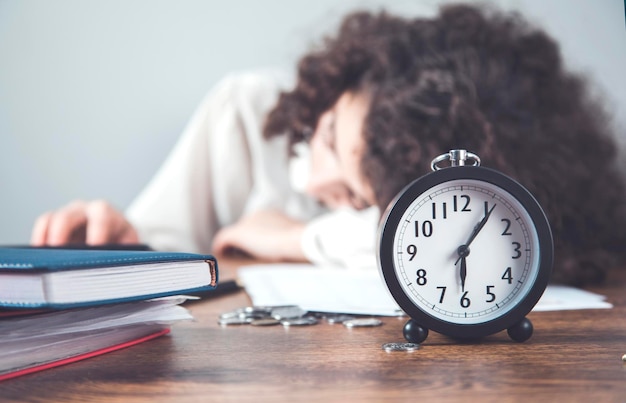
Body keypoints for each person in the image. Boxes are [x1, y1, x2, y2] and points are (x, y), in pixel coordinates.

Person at [31, 4, 626, 286]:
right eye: (329, 137)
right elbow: (156, 251)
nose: (309, 185)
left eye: (351, 196)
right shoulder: (243, 109)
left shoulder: (486, 211)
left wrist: (292, 238)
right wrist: (115, 233)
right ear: (342, 82)